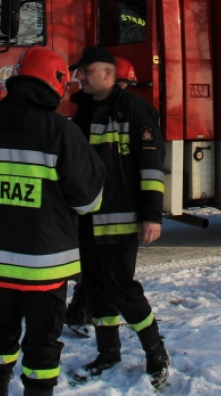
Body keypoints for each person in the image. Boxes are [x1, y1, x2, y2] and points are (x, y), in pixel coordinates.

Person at [0, 46, 106, 396]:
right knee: (42, 343)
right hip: (45, 269)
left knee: (0, 333)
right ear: (56, 83)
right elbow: (89, 201)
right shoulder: (61, 132)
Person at [69, 46, 170, 388]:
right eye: (79, 71)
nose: (80, 76)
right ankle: (108, 352)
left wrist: (152, 215)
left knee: (122, 288)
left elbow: (152, 167)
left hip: (122, 217)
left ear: (108, 74)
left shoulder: (136, 112)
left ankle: (156, 353)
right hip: (88, 219)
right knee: (97, 289)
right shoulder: (80, 110)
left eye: (87, 70)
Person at [65, 55, 138, 337]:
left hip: (108, 208)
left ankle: (83, 315)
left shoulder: (123, 114)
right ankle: (80, 314)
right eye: (122, 84)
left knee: (101, 274)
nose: (123, 90)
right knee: (100, 275)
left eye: (126, 86)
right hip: (96, 207)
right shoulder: (91, 114)